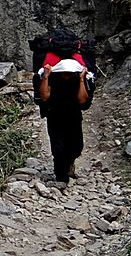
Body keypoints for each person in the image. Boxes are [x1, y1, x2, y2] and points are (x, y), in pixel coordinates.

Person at [37, 57, 92, 186]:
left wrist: (81, 79)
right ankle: (61, 177)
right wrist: (45, 77)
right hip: (55, 116)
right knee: (58, 147)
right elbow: (44, 96)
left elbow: (82, 100)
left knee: (77, 146)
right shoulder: (51, 78)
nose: (67, 74)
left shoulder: (77, 78)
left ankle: (69, 164)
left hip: (73, 116)